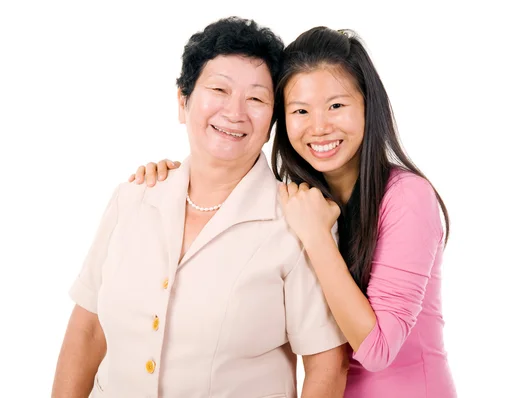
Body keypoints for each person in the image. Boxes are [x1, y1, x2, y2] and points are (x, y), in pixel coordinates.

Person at [135, 27, 456, 397]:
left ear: (370, 105)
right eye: (301, 110)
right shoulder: (299, 198)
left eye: (336, 106)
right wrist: (175, 182)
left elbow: (378, 349)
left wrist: (317, 237)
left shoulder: (407, 198)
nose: (319, 127)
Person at [52, 18, 348, 398]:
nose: (235, 112)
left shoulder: (298, 221)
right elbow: (89, 328)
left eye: (256, 99)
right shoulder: (133, 198)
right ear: (183, 100)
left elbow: (327, 366)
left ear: (273, 119)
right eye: (219, 89)